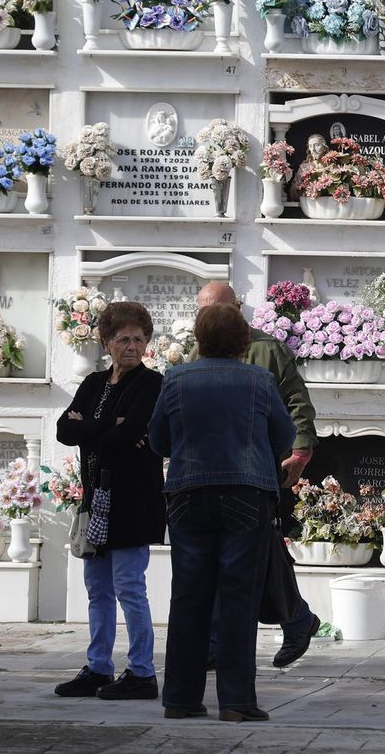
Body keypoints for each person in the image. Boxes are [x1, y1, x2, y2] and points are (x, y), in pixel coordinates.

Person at [148, 304, 296, 722]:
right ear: (244, 341)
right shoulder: (259, 380)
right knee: (238, 598)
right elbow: (285, 436)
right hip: (246, 495)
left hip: (187, 493)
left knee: (188, 597)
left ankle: (180, 699)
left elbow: (158, 440)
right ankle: (235, 702)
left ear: (199, 339)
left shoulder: (175, 379)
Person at [190, 282, 323, 670]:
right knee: (247, 553)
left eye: (216, 309)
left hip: (256, 472)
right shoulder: (195, 353)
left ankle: (284, 624)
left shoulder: (267, 350)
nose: (208, 317)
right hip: (211, 472)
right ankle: (294, 621)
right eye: (202, 310)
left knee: (259, 550)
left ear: (237, 307)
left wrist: (299, 451)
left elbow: (295, 402)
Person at [53, 302, 166, 701]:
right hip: (96, 500)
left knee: (129, 588)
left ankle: (142, 672)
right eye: (122, 339)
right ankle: (99, 666)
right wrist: (107, 426)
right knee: (97, 589)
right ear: (106, 343)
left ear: (146, 343)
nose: (131, 347)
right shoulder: (94, 383)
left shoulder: (151, 384)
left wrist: (92, 428)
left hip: (133, 502)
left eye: (138, 339)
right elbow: (64, 430)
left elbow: (129, 433)